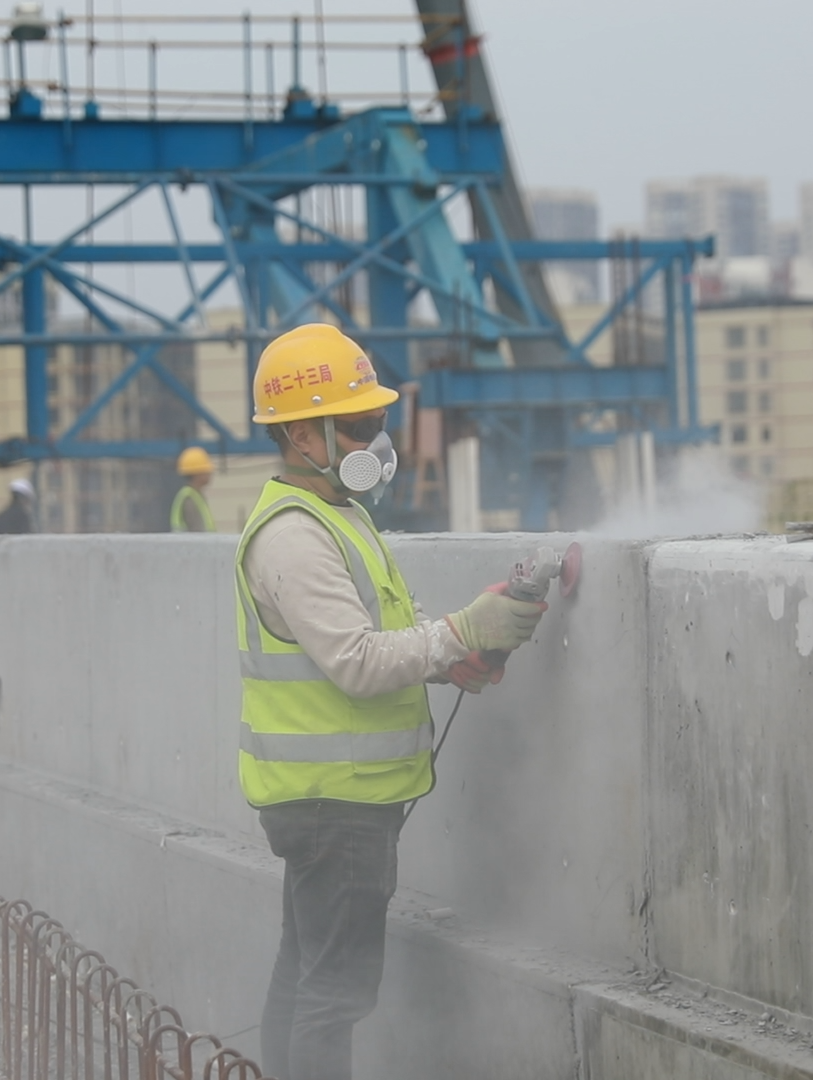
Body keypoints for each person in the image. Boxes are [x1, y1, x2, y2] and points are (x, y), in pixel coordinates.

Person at [235, 323, 546, 1080]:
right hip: (336, 804)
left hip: (334, 800)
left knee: (304, 972)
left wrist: (450, 661)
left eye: (379, 422)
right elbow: (357, 662)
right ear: (304, 432)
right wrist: (462, 629)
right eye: (362, 425)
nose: (378, 438)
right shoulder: (295, 536)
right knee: (334, 995)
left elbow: (375, 642)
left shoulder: (336, 514)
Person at [171, 447, 216, 532]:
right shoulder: (189, 498)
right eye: (206, 470)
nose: (210, 473)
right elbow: (197, 531)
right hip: (192, 545)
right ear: (197, 472)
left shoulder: (195, 496)